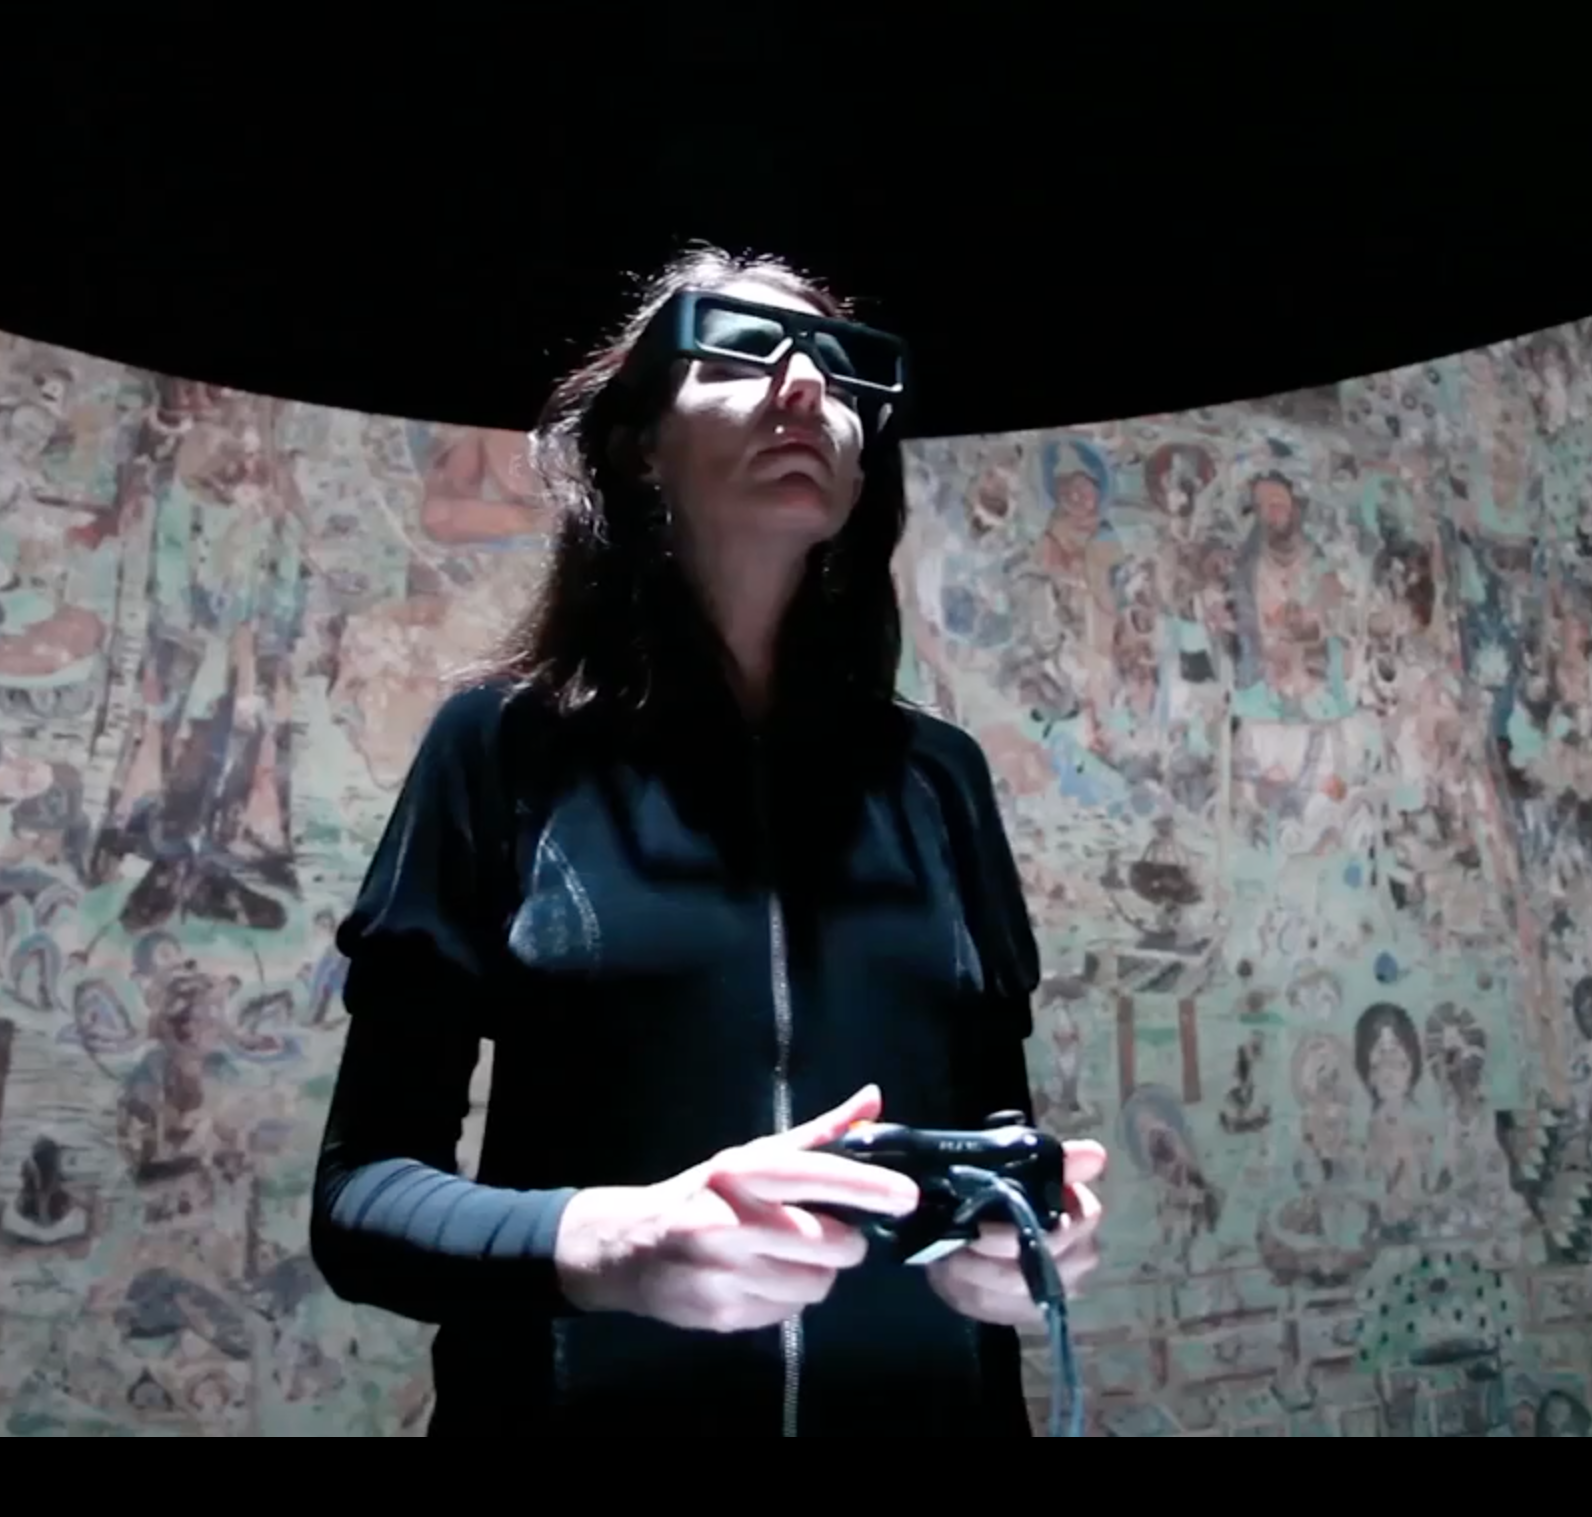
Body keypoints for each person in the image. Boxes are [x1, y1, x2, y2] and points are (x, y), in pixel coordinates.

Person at [309, 248, 1106, 1437]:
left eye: (841, 371)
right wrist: (603, 1242)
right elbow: (359, 1200)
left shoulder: (941, 779)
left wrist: (1025, 1230)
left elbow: (993, 1138)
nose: (806, 387)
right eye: (739, 349)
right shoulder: (499, 746)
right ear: (639, 445)